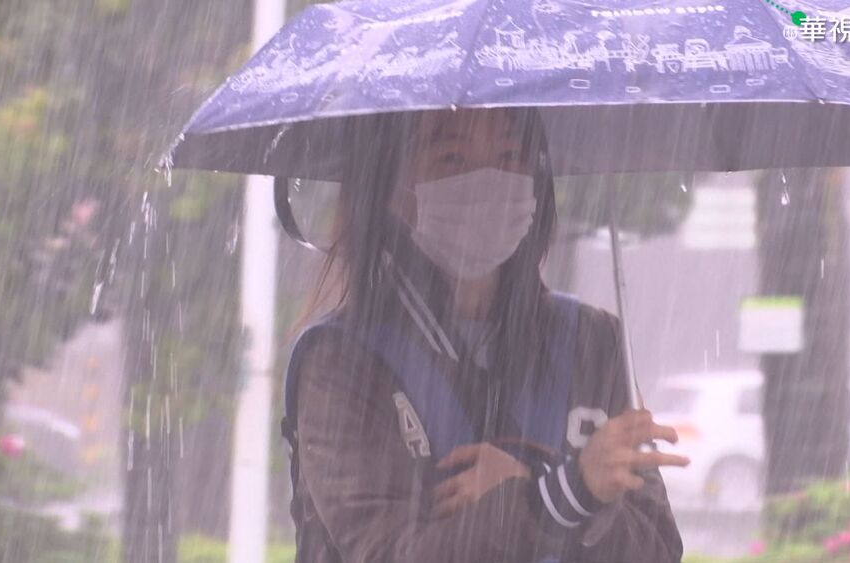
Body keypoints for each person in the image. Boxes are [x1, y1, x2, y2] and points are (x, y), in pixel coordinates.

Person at [281, 107, 690, 563]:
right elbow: (388, 552)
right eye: (452, 157)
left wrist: (547, 484)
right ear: (388, 187)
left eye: (510, 154)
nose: (488, 179)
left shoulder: (593, 343)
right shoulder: (342, 361)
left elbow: (656, 548)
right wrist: (559, 496)